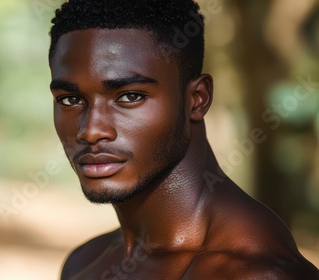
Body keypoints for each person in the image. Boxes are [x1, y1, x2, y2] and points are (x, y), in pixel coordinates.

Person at [47, 0, 319, 279]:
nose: (91, 131)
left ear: (197, 99)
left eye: (129, 96)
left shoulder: (256, 272)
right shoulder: (83, 263)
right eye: (70, 99)